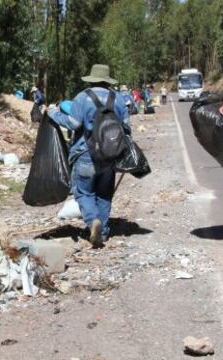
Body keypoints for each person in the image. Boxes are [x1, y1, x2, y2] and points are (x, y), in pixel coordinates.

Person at [47, 64, 130, 248]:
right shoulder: (118, 98)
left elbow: (73, 124)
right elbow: (126, 127)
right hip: (110, 155)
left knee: (84, 192)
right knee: (104, 194)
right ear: (107, 80)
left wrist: (53, 113)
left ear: (91, 79)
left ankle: (93, 222)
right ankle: (104, 232)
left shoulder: (83, 97)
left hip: (85, 153)